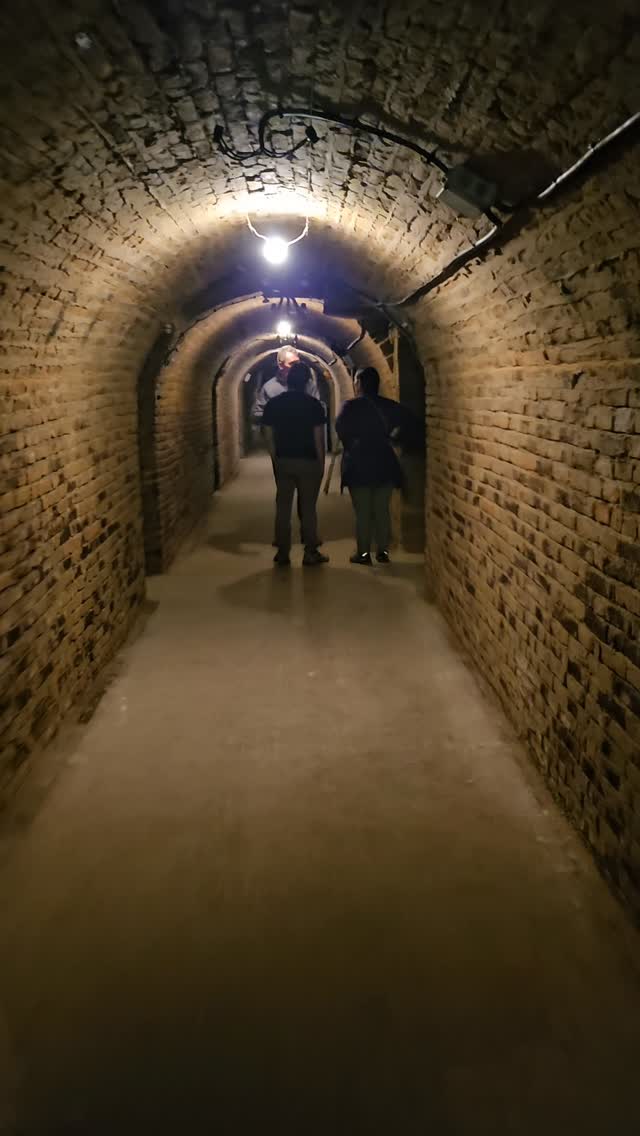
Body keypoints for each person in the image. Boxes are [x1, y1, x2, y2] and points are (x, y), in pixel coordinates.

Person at [335, 366, 416, 566]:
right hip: (384, 462)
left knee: (363, 512)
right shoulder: (390, 406)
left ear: (360, 384)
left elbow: (342, 431)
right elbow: (410, 422)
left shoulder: (350, 407)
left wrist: (353, 443)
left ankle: (363, 554)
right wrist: (393, 438)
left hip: (359, 464)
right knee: (381, 509)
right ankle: (382, 552)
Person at [262, 362, 329, 567]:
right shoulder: (314, 405)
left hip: (284, 460)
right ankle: (310, 552)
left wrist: (275, 458)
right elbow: (319, 438)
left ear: (288, 381)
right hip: (308, 461)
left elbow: (268, 434)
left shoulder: (274, 404)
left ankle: (283, 553)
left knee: (282, 507)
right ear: (307, 381)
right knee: (308, 508)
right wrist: (321, 464)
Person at [252, 345, 320, 424]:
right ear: (281, 365)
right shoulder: (269, 388)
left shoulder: (309, 384)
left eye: (297, 363)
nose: (296, 367)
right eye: (292, 364)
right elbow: (257, 415)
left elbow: (318, 410)